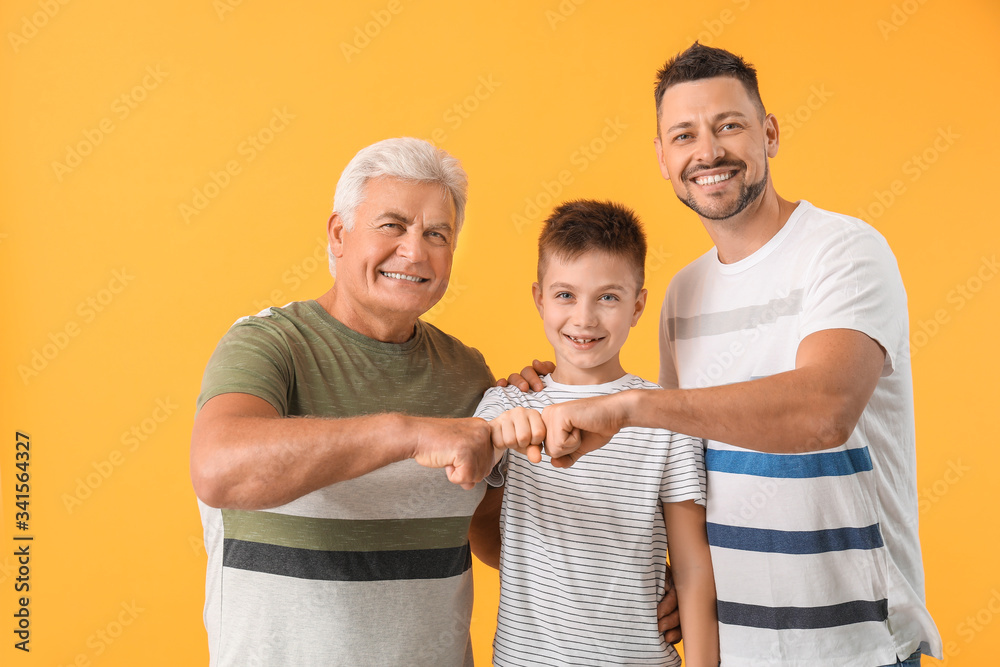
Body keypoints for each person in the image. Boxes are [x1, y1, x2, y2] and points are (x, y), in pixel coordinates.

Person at [509, 44, 942, 666]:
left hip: (853, 646)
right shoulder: (683, 293)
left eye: (728, 126)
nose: (707, 152)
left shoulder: (843, 251)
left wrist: (629, 405)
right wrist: (554, 391)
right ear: (663, 158)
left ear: (768, 134)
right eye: (683, 135)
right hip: (733, 645)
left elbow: (822, 413)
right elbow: (683, 460)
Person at [189, 137, 498, 666]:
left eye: (437, 234)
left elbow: (492, 529)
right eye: (392, 225)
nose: (415, 250)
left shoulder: (468, 373)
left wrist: (633, 587)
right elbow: (219, 469)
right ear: (339, 234)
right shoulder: (269, 344)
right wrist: (408, 433)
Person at [475, 200, 718, 667]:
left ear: (638, 305)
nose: (584, 318)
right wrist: (494, 437)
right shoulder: (505, 406)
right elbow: (467, 490)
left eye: (607, 297)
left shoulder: (666, 418)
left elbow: (691, 568)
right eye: (565, 295)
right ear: (538, 298)